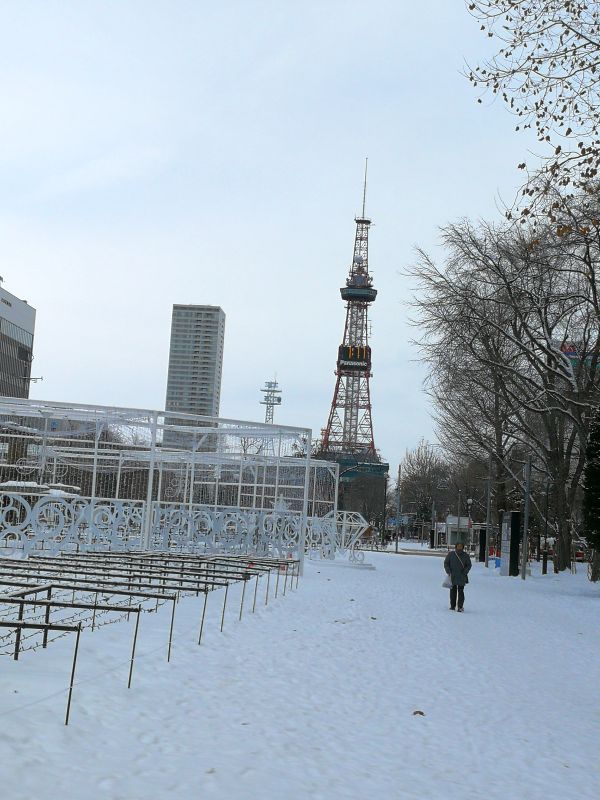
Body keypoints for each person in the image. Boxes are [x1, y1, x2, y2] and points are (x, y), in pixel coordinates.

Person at [444, 541, 472, 611]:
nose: (459, 547)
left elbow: (469, 565)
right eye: (458, 546)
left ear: (463, 547)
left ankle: (460, 606)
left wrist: (465, 572)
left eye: (461, 546)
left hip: (461, 576)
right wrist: (448, 570)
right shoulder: (451, 554)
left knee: (461, 591)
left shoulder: (465, 555)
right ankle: (452, 606)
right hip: (452, 575)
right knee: (452, 591)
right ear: (456, 546)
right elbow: (446, 563)